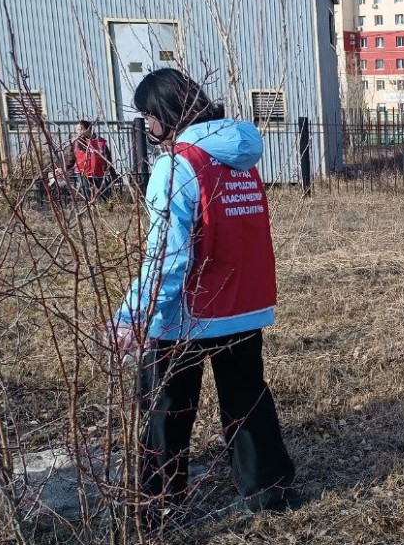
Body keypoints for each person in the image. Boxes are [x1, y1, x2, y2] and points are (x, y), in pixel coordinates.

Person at [108, 68, 300, 526]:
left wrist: (134, 315)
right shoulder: (240, 159)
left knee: (165, 408)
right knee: (247, 399)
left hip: (188, 312)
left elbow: (167, 256)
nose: (148, 128)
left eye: (148, 116)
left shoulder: (177, 165)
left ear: (165, 114)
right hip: (243, 303)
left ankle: (159, 505)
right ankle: (269, 491)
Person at [61, 120, 113, 204]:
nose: (78, 132)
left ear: (88, 129)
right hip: (82, 172)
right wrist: (64, 169)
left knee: (104, 194)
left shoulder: (101, 143)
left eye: (80, 129)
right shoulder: (76, 143)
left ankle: (107, 210)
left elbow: (108, 160)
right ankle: (90, 208)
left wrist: (111, 173)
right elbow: (71, 159)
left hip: (98, 172)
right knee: (86, 191)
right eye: (77, 130)